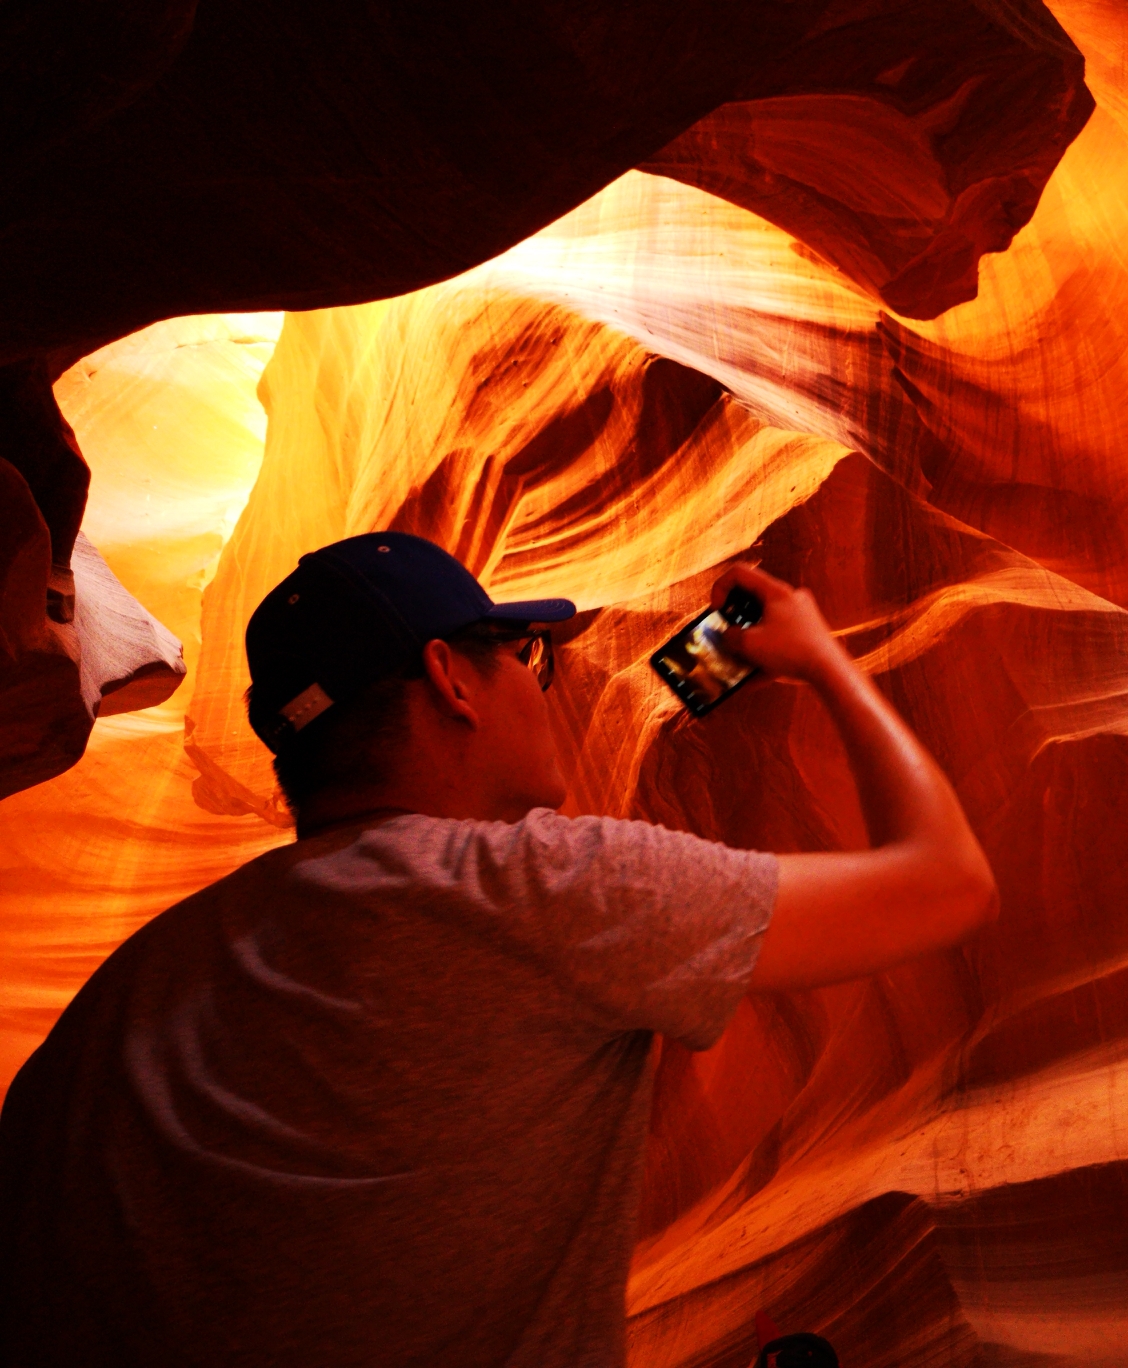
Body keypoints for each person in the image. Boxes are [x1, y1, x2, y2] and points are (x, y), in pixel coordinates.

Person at [0, 532, 997, 1367]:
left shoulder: (129, 992)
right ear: (451, 680)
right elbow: (948, 882)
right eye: (527, 657)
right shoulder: (543, 893)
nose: (541, 686)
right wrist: (820, 659)